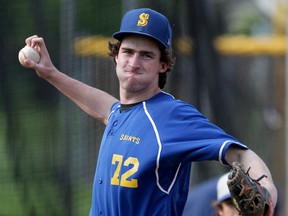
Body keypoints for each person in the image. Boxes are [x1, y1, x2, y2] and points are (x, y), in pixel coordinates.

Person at [21, 8, 277, 216]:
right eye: (128, 52)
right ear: (116, 57)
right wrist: (50, 73)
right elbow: (103, 108)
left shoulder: (171, 116)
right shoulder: (122, 113)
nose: (133, 62)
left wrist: (265, 187)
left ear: (163, 65)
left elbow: (240, 153)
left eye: (146, 55)